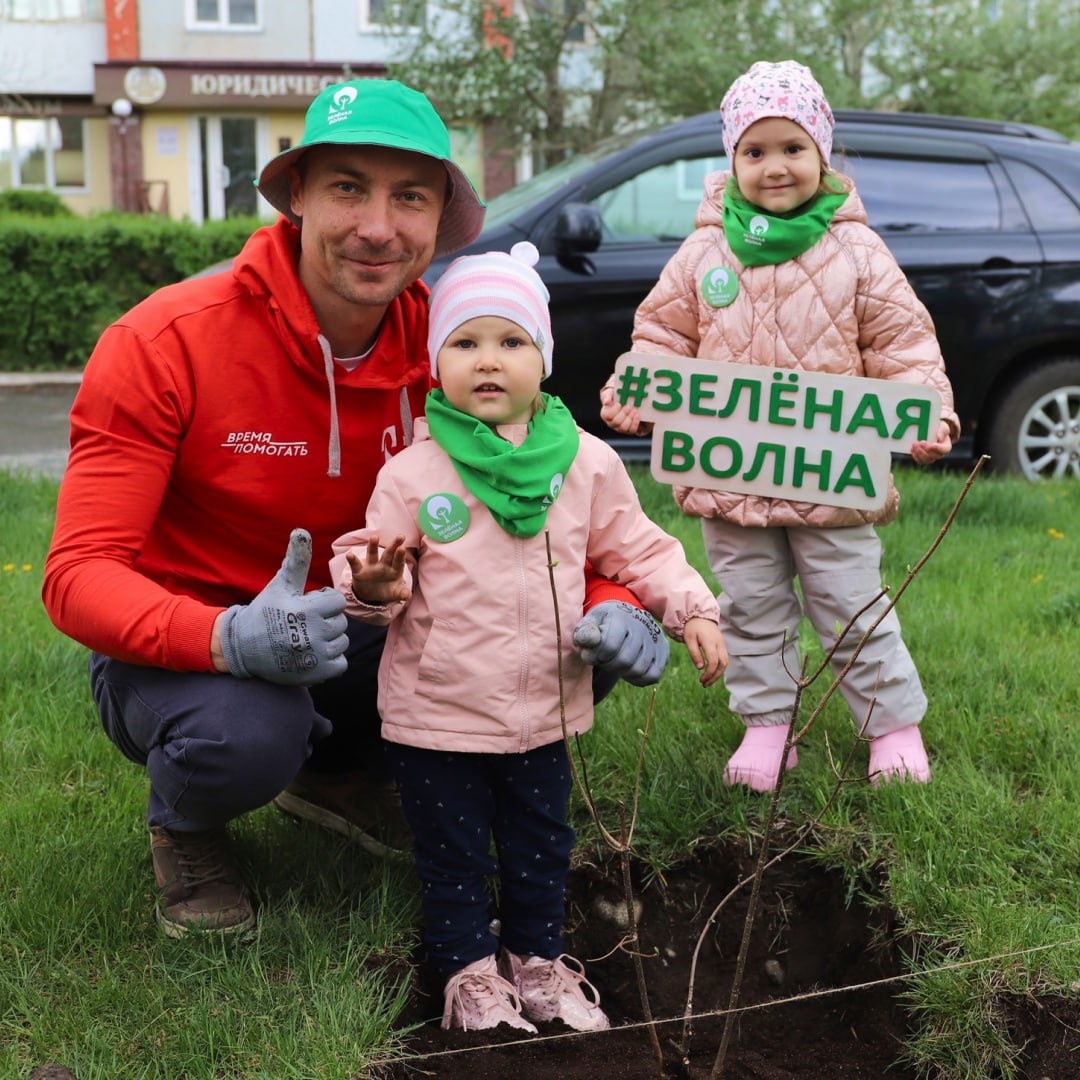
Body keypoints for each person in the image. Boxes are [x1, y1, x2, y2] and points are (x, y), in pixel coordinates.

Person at [41, 79, 671, 940]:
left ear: (440, 215)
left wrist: (616, 601)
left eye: (410, 196)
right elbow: (77, 576)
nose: (378, 227)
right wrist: (230, 638)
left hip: (365, 621)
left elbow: (557, 511)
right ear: (297, 194)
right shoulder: (164, 343)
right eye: (348, 188)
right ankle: (187, 824)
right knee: (247, 731)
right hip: (194, 650)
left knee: (558, 636)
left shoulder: (458, 348)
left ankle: (340, 778)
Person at [330, 241, 727, 1033]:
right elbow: (370, 561)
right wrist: (369, 585)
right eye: (465, 342)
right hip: (438, 717)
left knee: (542, 845)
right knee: (452, 855)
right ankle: (468, 976)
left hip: (544, 711)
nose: (488, 360)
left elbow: (638, 549)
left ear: (543, 356)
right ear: (435, 361)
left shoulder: (584, 463)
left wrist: (693, 610)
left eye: (511, 341)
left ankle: (537, 963)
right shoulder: (415, 474)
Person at [600, 60, 961, 793]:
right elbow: (663, 336)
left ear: (821, 154)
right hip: (729, 482)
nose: (774, 166)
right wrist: (636, 387)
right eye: (755, 150)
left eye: (793, 148)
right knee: (751, 609)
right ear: (731, 159)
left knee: (850, 605)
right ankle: (767, 726)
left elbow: (903, 343)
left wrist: (926, 409)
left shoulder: (857, 252)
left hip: (832, 482)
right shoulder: (704, 253)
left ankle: (891, 726)